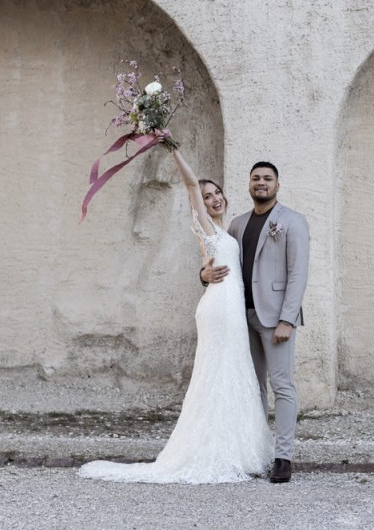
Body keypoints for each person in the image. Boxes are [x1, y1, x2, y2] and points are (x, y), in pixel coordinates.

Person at [78, 148, 273, 484]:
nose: (213, 199)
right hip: (219, 311)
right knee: (218, 375)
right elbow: (191, 185)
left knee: (232, 375)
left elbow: (208, 263)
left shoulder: (222, 233)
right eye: (207, 196)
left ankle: (236, 448)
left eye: (217, 194)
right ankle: (212, 450)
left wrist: (203, 272)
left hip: (231, 309)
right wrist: (172, 147)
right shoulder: (206, 228)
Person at [201, 161, 310, 483]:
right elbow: (219, 263)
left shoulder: (292, 221)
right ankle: (257, 451)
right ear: (249, 184)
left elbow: (298, 273)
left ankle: (283, 457)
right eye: (256, 178)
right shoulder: (237, 224)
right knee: (253, 388)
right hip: (240, 317)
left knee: (282, 386)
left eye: (267, 179)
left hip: (275, 319)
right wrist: (203, 275)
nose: (261, 183)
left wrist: (287, 320)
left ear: (277, 185)